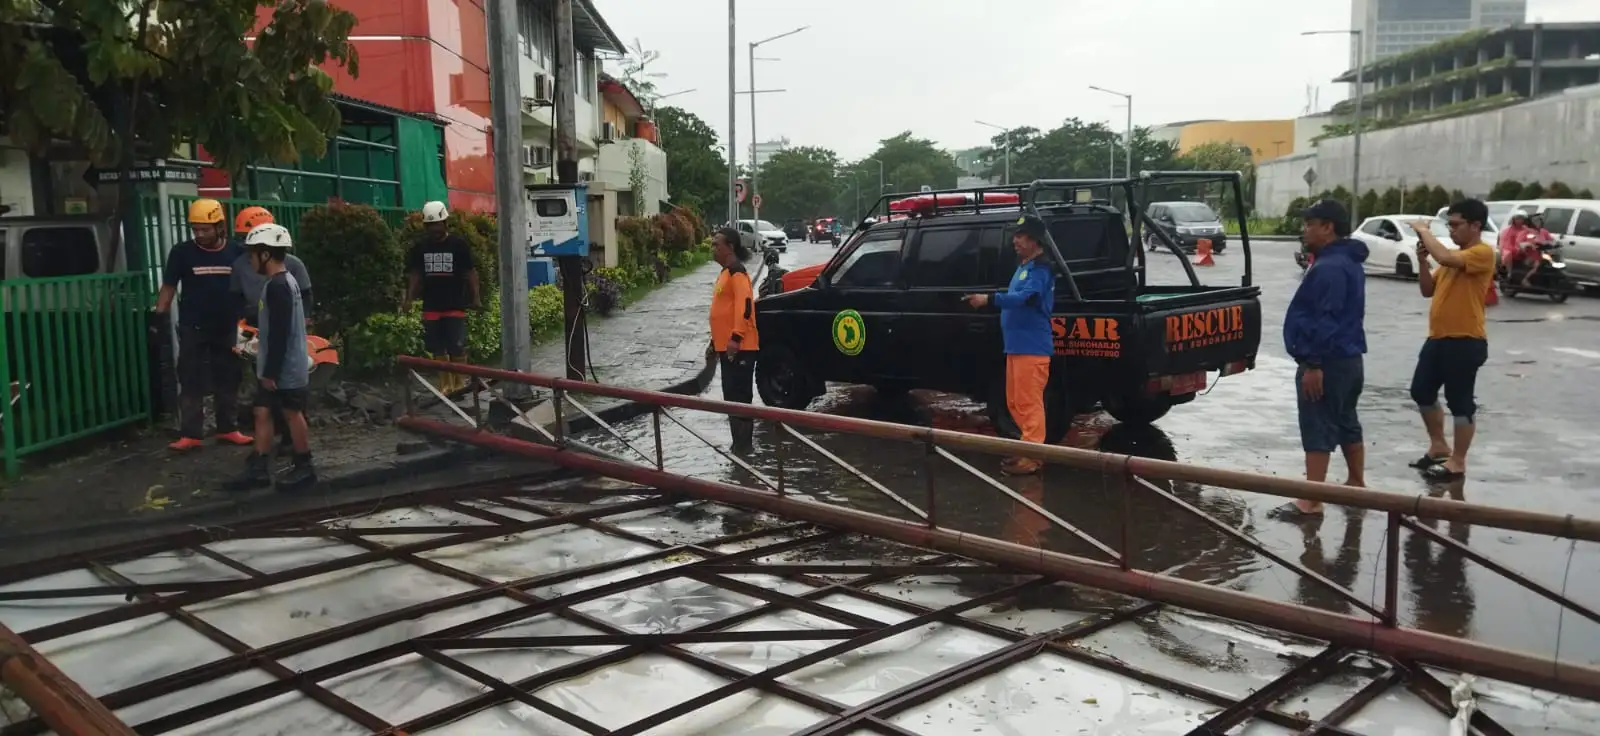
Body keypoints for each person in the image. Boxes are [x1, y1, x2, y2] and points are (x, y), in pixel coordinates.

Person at [1274, 200, 1368, 520]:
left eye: (1310, 223)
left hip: (1326, 360)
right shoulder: (1347, 261)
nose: (1305, 230)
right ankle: (1356, 485)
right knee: (1345, 420)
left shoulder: (1329, 268)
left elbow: (1325, 318)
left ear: (1327, 227)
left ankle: (1311, 501)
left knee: (1317, 424)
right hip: (1349, 357)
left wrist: (1313, 364)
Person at [1406, 199, 1497, 481]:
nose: (1452, 230)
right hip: (1438, 339)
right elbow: (1427, 290)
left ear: (1475, 225)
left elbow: (1445, 257)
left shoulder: (1481, 253)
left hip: (1466, 340)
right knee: (1421, 391)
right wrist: (1422, 261)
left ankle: (1458, 461)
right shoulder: (1452, 259)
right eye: (1450, 225)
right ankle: (1438, 447)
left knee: (1460, 401)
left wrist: (1424, 230)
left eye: (1456, 225)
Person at [155, 198, 251, 451]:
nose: (199, 234)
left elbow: (248, 286)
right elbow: (168, 287)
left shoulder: (237, 252)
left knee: (229, 377)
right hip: (193, 326)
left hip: (229, 326)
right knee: (190, 378)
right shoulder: (182, 252)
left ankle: (228, 428)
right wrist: (157, 318)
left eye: (205, 229)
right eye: (195, 229)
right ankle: (191, 434)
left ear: (220, 226)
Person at [964, 215, 1057, 475]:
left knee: (1029, 402)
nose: (1015, 240)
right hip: (1016, 346)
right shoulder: (1024, 266)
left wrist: (989, 300)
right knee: (1015, 402)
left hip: (1032, 347)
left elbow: (1024, 298)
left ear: (1034, 240)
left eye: (1021, 236)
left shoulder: (1041, 270)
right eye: (1016, 235)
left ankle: (1034, 456)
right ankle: (1026, 447)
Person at [226, 223, 316, 492]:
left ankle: (304, 466)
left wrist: (271, 373)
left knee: (291, 413)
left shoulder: (279, 286)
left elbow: (279, 333)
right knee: (261, 411)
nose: (249, 260)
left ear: (266, 255)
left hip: (284, 367)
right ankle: (259, 466)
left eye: (253, 254)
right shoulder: (280, 284)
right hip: (275, 364)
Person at [405, 201, 480, 395]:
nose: (434, 229)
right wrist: (408, 299)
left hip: (454, 302)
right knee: (437, 347)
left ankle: (459, 383)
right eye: (430, 225)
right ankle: (445, 385)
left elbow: (469, 273)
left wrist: (475, 297)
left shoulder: (458, 245)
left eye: (437, 224)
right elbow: (416, 275)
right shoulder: (420, 248)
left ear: (445, 223)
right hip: (431, 304)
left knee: (456, 345)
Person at [710, 227, 760, 454]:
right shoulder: (725, 272)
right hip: (727, 347)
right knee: (731, 397)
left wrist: (735, 338)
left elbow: (745, 307)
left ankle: (744, 447)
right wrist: (714, 343)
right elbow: (723, 311)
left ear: (730, 247)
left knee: (739, 397)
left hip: (741, 347)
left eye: (716, 244)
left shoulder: (737, 272)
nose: (713, 248)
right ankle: (738, 445)